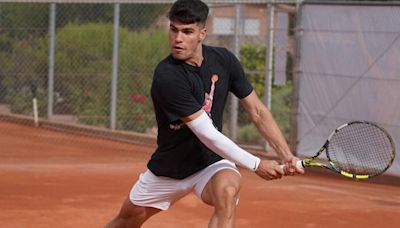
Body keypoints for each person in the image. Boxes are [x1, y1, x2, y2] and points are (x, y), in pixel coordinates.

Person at [105, 0, 303, 227]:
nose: (178, 39)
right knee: (125, 222)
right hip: (170, 168)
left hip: (211, 163)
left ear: (202, 33)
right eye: (174, 29)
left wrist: (286, 154)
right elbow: (207, 134)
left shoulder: (224, 60)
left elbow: (257, 111)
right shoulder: (167, 76)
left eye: (187, 31)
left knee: (227, 193)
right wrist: (256, 164)